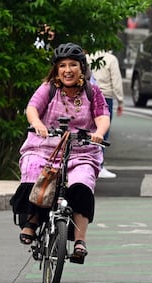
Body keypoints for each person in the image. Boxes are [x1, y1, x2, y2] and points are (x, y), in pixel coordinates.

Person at [10, 42, 110, 264]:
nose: (68, 70)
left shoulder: (92, 91)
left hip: (81, 150)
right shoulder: (48, 88)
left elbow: (102, 115)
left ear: (81, 68)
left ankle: (80, 241)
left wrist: (99, 133)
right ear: (56, 69)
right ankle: (32, 221)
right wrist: (37, 123)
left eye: (73, 64)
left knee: (82, 185)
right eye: (62, 65)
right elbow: (32, 108)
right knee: (34, 174)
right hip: (44, 147)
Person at [87, 50, 124, 178]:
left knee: (87, 131)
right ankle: (99, 165)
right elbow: (116, 81)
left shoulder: (87, 57)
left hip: (86, 95)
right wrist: (120, 100)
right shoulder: (111, 59)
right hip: (105, 96)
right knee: (102, 133)